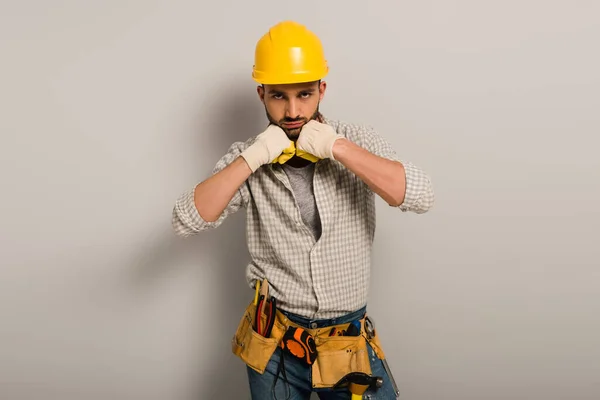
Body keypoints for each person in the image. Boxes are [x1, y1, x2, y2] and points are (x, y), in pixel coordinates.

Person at [172, 20, 434, 400]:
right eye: (279, 96)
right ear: (261, 94)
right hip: (274, 340)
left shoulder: (356, 141)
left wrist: (338, 148)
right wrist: (253, 156)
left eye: (305, 95)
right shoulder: (248, 158)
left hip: (344, 343)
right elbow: (186, 220)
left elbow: (420, 195)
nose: (293, 110)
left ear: (322, 90)